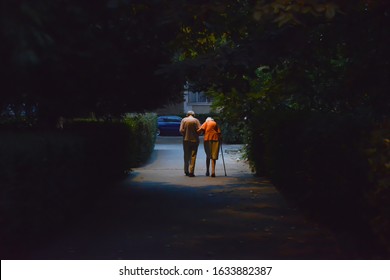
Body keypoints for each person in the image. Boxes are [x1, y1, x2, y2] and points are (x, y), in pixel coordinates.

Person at [179, 110, 201, 177]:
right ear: (193, 114)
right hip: (195, 140)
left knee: (186, 155)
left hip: (186, 140)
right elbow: (199, 130)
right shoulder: (196, 120)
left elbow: (181, 130)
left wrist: (184, 134)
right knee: (193, 156)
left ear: (187, 114)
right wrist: (196, 134)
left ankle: (186, 170)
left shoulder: (184, 120)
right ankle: (191, 172)